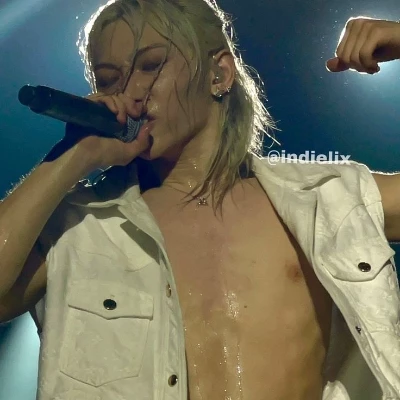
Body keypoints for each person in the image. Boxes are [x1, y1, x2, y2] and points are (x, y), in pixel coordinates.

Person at [0, 0, 399, 399]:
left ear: (218, 74)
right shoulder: (79, 229)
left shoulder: (326, 200)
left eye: (150, 66)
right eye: (108, 80)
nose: (131, 92)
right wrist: (73, 157)